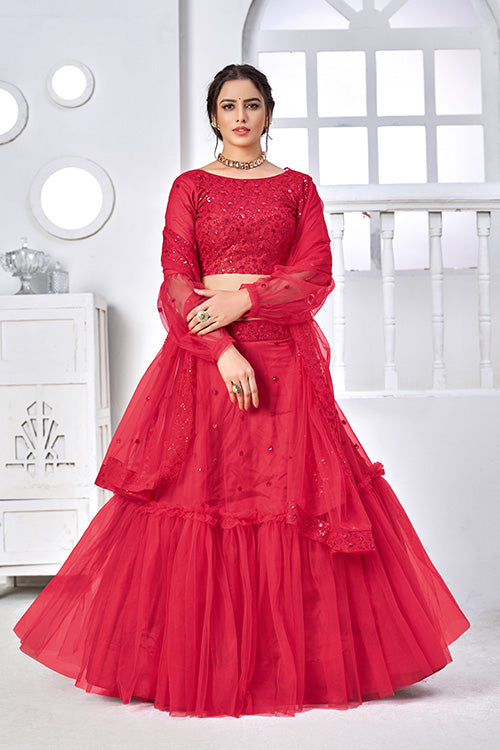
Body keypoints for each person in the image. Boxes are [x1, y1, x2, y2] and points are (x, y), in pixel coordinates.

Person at [13, 63, 470, 718]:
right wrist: (223, 348)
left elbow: (315, 274)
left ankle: (297, 665)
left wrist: (244, 301)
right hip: (205, 362)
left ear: (268, 113)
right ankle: (199, 661)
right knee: (205, 498)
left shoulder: (298, 188)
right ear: (212, 116)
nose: (240, 117)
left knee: (289, 498)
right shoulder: (190, 187)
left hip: (284, 357)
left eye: (251, 105)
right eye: (228, 106)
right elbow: (176, 283)